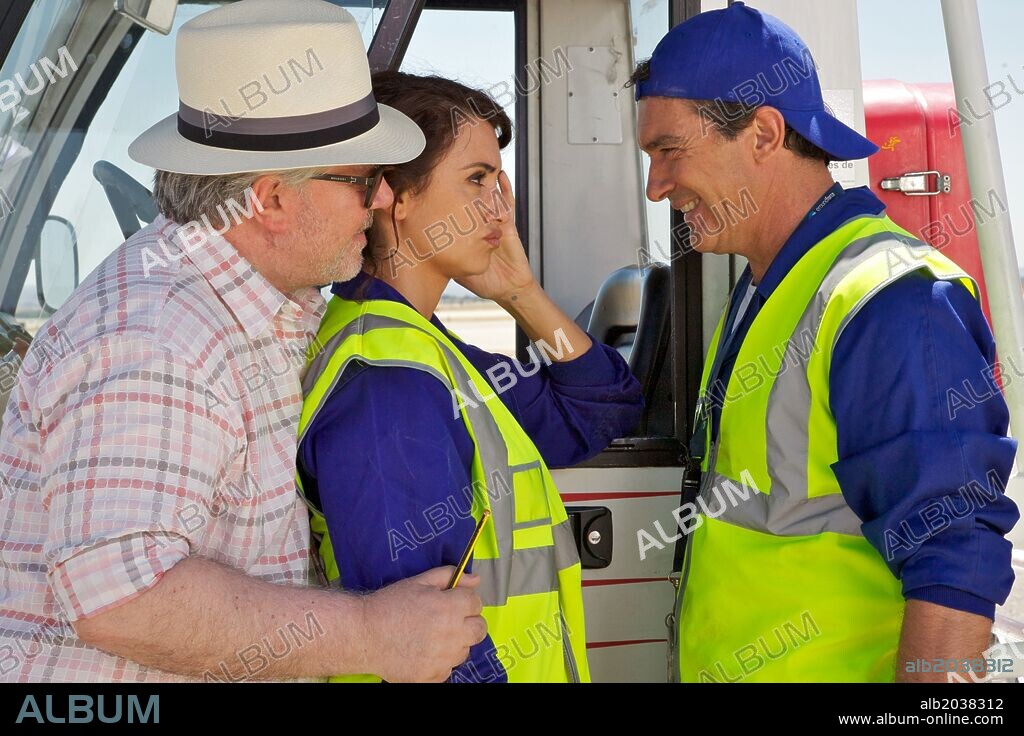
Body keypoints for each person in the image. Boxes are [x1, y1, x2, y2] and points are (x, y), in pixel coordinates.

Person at [0, 0, 486, 683]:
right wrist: (373, 635)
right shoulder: (159, 338)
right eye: (361, 180)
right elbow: (121, 597)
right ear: (271, 200)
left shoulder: (246, 302)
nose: (379, 202)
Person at [632, 2, 1019, 682]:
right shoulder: (764, 288)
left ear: (763, 133)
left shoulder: (889, 298)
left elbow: (953, 564)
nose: (657, 185)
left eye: (669, 151)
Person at [296, 71, 645, 683]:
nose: (500, 208)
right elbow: (429, 646)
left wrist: (521, 293)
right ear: (395, 196)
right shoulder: (389, 386)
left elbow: (600, 408)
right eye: (477, 179)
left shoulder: (424, 351)